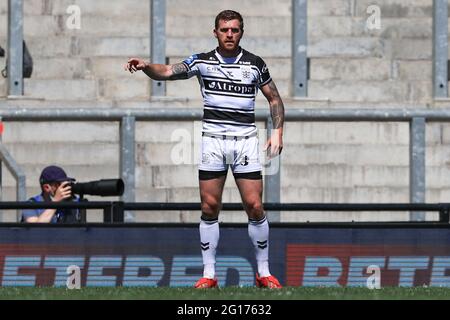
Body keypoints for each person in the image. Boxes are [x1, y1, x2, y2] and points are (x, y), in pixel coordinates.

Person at [125, 10, 284, 289]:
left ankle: (263, 272)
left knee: (255, 205)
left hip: (245, 140)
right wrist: (146, 65)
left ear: (241, 32)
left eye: (235, 30)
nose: (230, 34)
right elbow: (166, 72)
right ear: (216, 32)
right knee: (210, 207)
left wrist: (278, 132)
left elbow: (274, 98)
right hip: (213, 140)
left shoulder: (255, 64)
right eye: (224, 30)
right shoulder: (202, 61)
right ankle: (209, 274)